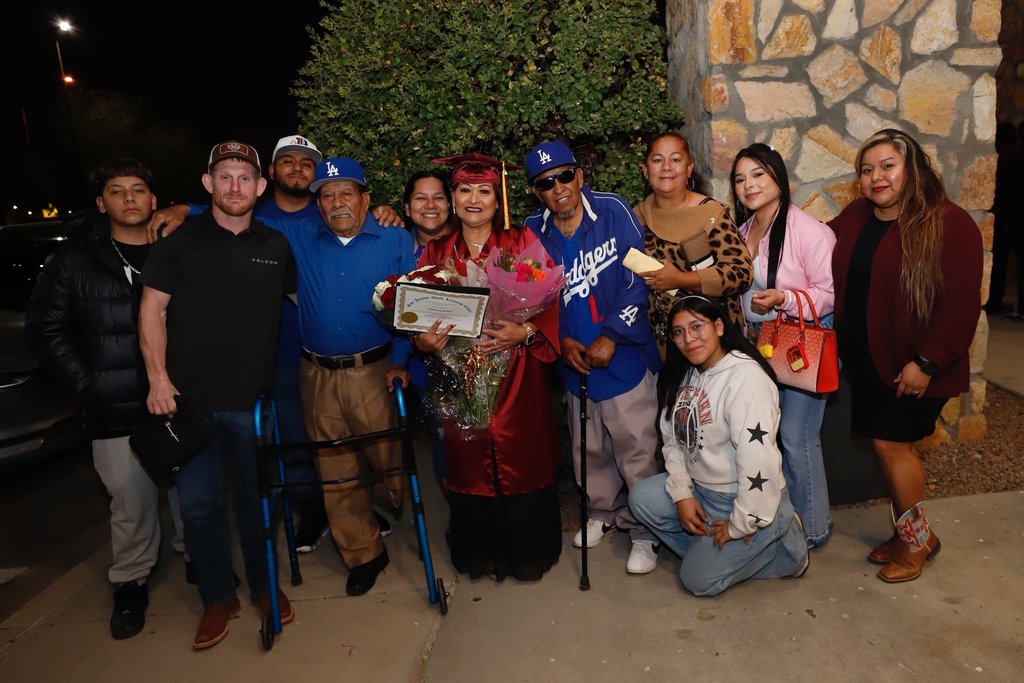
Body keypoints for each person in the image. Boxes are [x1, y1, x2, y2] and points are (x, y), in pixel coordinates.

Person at [139, 141, 296, 649]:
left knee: (257, 505)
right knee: (201, 509)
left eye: (245, 178)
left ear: (260, 187)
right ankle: (216, 597)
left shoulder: (275, 245)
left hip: (253, 403)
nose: (235, 186)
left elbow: (300, 300)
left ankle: (263, 588)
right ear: (207, 184)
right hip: (191, 406)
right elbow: (151, 311)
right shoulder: (178, 244)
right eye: (224, 177)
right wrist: (158, 380)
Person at [25, 159, 185, 640]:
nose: (130, 198)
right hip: (113, 405)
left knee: (189, 490)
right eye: (118, 191)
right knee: (130, 502)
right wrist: (87, 384)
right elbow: (45, 329)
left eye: (139, 189)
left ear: (155, 200)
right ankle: (132, 583)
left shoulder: (177, 251)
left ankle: (200, 561)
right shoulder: (74, 261)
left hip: (180, 398)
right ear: (102, 203)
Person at [830, 129, 982, 583]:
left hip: (913, 365)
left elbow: (960, 307)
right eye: (866, 169)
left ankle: (916, 543)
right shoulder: (857, 216)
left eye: (887, 166)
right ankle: (910, 533)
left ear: (911, 168)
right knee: (885, 448)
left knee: (893, 447)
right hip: (870, 361)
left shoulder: (949, 223)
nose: (875, 177)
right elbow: (817, 246)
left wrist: (928, 362)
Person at [414, 152, 562, 581]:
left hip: (517, 374)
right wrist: (424, 340)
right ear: (453, 199)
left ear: (498, 202)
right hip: (462, 375)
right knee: (468, 457)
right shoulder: (437, 250)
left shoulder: (520, 244)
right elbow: (419, 312)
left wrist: (527, 331)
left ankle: (527, 556)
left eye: (484, 191)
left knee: (522, 453)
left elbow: (551, 299)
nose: (474, 199)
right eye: (464, 190)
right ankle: (479, 555)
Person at [523, 140, 662, 574]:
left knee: (636, 449)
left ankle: (645, 530)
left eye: (565, 176)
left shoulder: (614, 210)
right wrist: (559, 339)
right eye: (546, 183)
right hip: (574, 362)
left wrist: (614, 334)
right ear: (537, 192)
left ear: (579, 176)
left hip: (623, 358)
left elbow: (640, 276)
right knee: (590, 449)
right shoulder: (532, 230)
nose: (558, 188)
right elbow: (535, 300)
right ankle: (602, 512)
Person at [628, 296, 809, 596]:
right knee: (641, 499)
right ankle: (716, 554)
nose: (688, 339)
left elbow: (757, 461)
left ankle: (784, 543)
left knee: (697, 581)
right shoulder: (686, 372)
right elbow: (672, 441)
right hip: (702, 492)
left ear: (720, 326)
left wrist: (741, 524)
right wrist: (683, 494)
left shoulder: (745, 378)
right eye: (678, 332)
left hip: (745, 496)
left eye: (697, 326)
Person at [294, 157, 415, 596]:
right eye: (326, 195)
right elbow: (238, 213)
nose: (337, 202)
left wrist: (401, 358)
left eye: (347, 192)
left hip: (376, 369)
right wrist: (182, 210)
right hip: (317, 375)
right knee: (335, 470)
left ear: (367, 199)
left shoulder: (396, 238)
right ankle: (363, 553)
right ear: (318, 206)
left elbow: (412, 307)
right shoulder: (301, 239)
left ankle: (384, 503)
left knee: (389, 464)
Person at [729, 143, 836, 549]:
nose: (748, 185)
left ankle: (813, 529)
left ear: (777, 176)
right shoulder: (743, 231)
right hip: (761, 345)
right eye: (740, 179)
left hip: (801, 340)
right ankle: (784, 521)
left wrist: (784, 299)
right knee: (770, 435)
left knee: (797, 435)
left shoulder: (809, 230)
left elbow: (829, 293)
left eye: (757, 174)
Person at [633, 132, 752, 354]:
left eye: (676, 159)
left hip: (714, 342)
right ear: (645, 170)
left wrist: (680, 279)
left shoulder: (710, 214)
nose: (666, 167)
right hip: (660, 345)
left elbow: (740, 273)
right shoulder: (635, 217)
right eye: (657, 160)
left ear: (689, 168)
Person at [403, 170, 454, 494]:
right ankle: (459, 519)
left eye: (438, 197)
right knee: (445, 446)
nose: (430, 205)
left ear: (450, 204)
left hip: (485, 366)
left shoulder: (471, 242)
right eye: (420, 198)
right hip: (427, 372)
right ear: (407, 208)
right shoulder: (396, 247)